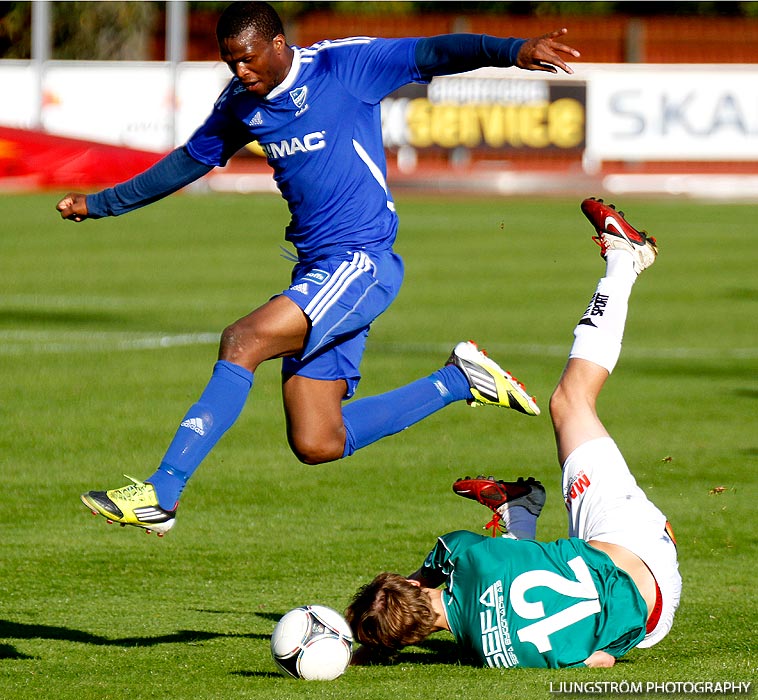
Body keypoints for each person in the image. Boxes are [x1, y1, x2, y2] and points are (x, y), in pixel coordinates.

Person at [57, 1, 580, 535]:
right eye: (230, 61)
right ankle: (457, 381)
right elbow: (187, 162)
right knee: (317, 440)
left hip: (362, 262)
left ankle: (162, 492)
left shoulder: (342, 67)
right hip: (319, 269)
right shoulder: (240, 104)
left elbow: (435, 51)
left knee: (242, 340)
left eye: (249, 58)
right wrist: (101, 204)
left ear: (278, 44)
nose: (241, 71)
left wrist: (513, 50)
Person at [345, 198, 682, 669]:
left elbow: (596, 661)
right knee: (570, 401)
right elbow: (444, 562)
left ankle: (519, 508)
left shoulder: (489, 656)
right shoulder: (465, 557)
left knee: (538, 573)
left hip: (648, 622)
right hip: (633, 548)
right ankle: (624, 259)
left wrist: (378, 642)